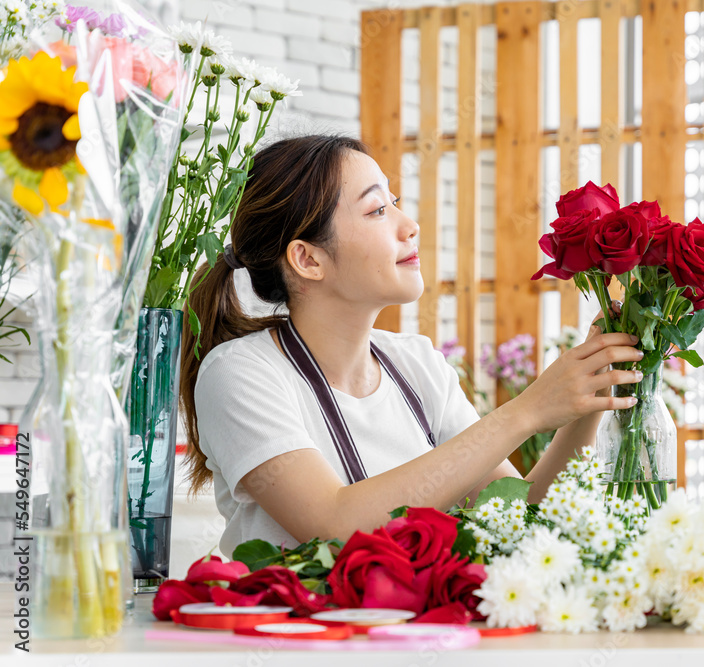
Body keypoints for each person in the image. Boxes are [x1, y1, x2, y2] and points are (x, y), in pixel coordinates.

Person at [179, 134, 644, 558]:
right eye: (378, 210)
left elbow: (514, 514)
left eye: (395, 203)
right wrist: (527, 412)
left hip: (415, 643)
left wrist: (590, 390)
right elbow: (334, 525)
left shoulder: (415, 363)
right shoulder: (239, 373)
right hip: (300, 648)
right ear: (308, 258)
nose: (410, 225)